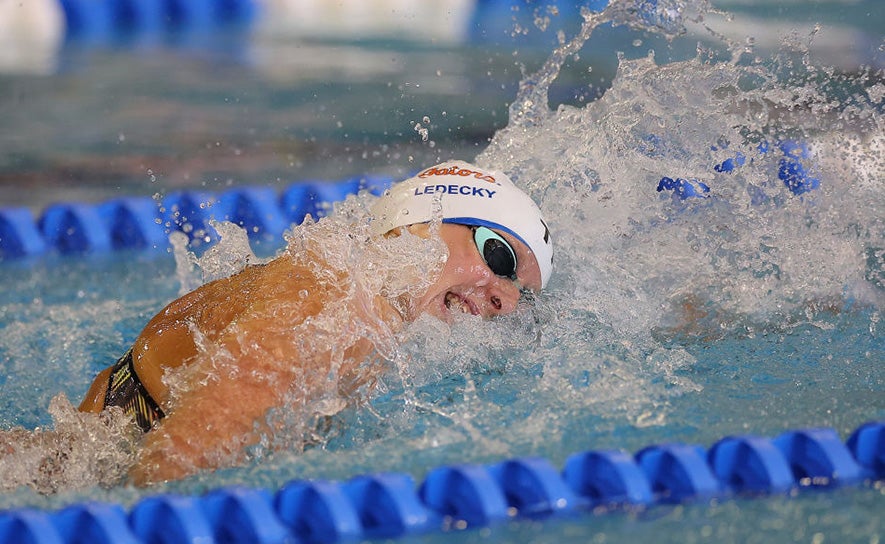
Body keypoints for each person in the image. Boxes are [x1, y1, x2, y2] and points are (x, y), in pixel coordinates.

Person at [77, 160, 554, 485]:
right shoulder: (341, 305)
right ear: (421, 219)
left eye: (522, 297)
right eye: (500, 255)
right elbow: (179, 457)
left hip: (83, 461)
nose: (505, 299)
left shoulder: (345, 286)